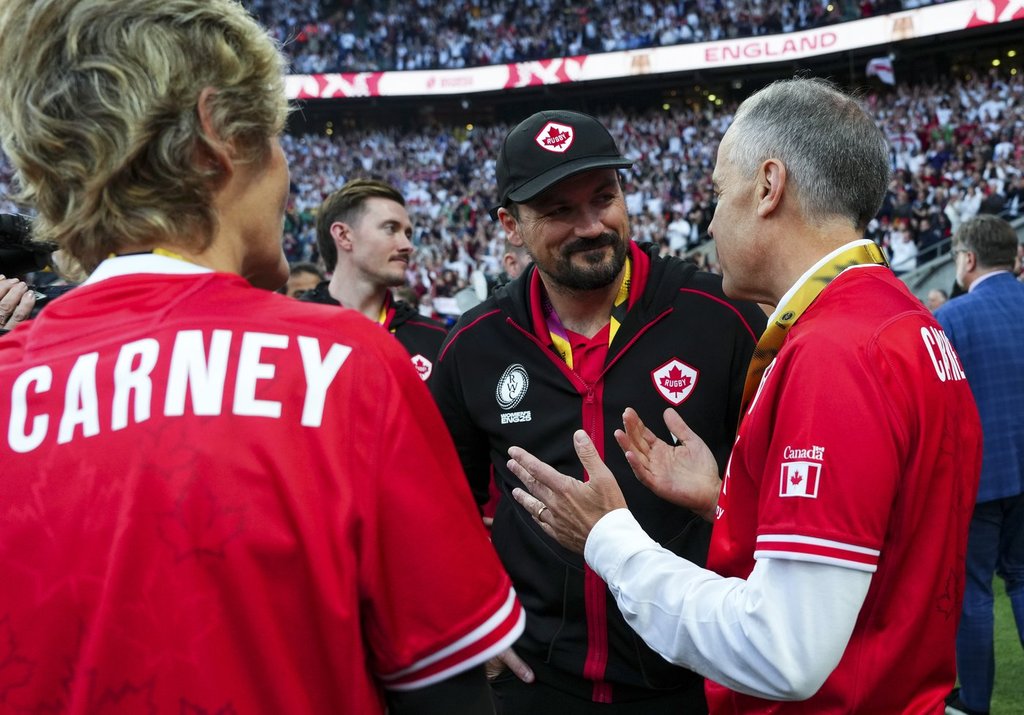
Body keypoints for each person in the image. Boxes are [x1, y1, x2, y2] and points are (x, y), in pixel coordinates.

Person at [0, 1, 523, 712]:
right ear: (217, 132)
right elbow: (447, 695)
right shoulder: (346, 364)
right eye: (277, 138)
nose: (284, 170)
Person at [506, 78, 983, 713]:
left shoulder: (835, 351)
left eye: (716, 193)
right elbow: (883, 547)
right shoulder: (896, 318)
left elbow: (783, 652)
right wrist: (724, 499)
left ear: (766, 187)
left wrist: (607, 537)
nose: (709, 218)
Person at [430, 109, 765, 713]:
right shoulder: (476, 343)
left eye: (604, 197)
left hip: (695, 675)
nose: (591, 226)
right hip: (538, 684)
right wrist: (466, 613)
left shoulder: (720, 317)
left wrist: (720, 496)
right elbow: (430, 501)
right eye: (559, 211)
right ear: (511, 224)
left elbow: (787, 491)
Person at [936, 215, 1024, 715]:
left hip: (980, 479)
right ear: (1013, 257)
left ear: (967, 259)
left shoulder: (953, 317)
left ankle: (973, 703)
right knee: (1022, 578)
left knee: (974, 593)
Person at [302, 179, 448, 381]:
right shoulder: (292, 328)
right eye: (391, 229)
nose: (407, 245)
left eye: (408, 234)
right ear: (344, 236)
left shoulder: (434, 339)